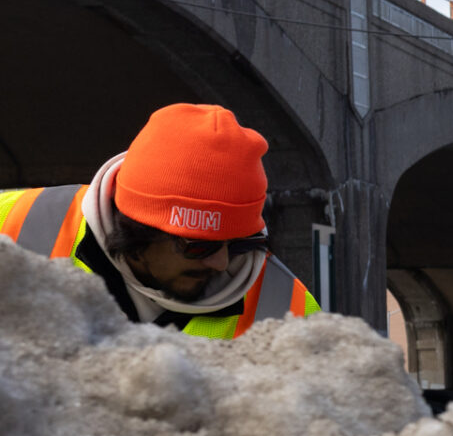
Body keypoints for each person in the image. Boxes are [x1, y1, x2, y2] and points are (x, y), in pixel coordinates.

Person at [0, 103, 318, 335]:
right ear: (137, 233)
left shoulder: (288, 313)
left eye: (236, 244)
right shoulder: (11, 225)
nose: (222, 264)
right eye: (198, 246)